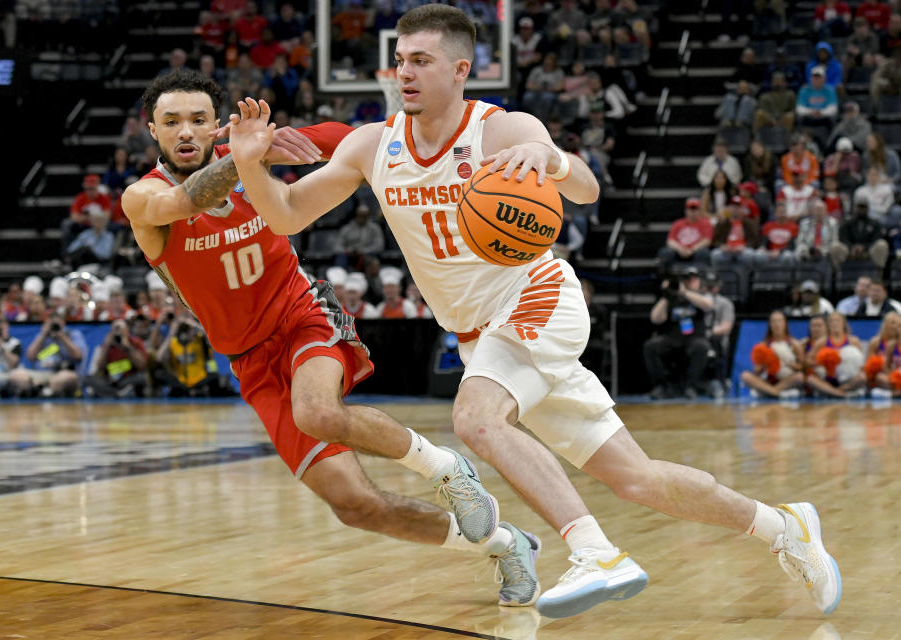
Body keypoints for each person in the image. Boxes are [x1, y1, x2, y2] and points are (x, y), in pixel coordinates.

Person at [216, 7, 843, 617]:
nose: (405, 73)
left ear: (460, 70)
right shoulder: (370, 146)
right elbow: (288, 213)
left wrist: (552, 160)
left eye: (421, 61)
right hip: (480, 334)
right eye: (400, 61)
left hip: (536, 295)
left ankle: (595, 552)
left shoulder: (502, 129)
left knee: (477, 420)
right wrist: (249, 161)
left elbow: (588, 189)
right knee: (635, 477)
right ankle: (781, 525)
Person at [118, 69, 537, 607]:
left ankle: (447, 469)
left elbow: (361, 139)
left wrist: (447, 148)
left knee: (316, 411)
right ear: (152, 131)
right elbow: (189, 201)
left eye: (198, 119)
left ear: (215, 125)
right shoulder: (143, 197)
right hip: (247, 359)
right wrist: (251, 156)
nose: (185, 131)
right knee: (356, 506)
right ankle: (506, 545)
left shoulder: (252, 153)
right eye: (171, 121)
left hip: (301, 312)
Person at [644, 268, 714, 399]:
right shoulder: (670, 298)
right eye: (686, 279)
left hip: (694, 338)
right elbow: (655, 318)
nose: (689, 282)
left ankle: (691, 386)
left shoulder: (702, 295)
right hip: (672, 338)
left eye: (693, 279)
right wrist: (667, 294)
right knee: (650, 346)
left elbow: (708, 305)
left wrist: (685, 292)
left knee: (701, 346)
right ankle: (661, 386)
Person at [8, 312, 87, 398]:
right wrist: (43, 334)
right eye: (50, 324)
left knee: (65, 378)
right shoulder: (42, 336)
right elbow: (30, 357)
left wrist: (62, 337)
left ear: (63, 324)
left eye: (56, 324)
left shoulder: (73, 334)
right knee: (15, 375)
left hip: (61, 372)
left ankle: (43, 390)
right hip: (40, 373)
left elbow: (77, 356)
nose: (53, 327)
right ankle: (39, 389)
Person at [741, 310, 805, 398]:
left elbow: (802, 368)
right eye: (773, 321)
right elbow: (756, 371)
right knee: (745, 376)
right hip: (769, 379)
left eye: (779, 321)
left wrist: (789, 364)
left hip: (786, 380)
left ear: (785, 323)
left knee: (800, 377)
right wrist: (762, 366)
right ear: (770, 324)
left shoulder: (794, 344)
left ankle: (767, 392)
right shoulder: (763, 345)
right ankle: (778, 393)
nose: (776, 324)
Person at [84, 319, 149, 398]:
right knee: (88, 379)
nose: (118, 332)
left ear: (127, 331)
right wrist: (107, 347)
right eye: (115, 329)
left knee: (141, 378)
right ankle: (116, 393)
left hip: (128, 379)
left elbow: (142, 365)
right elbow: (100, 368)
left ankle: (109, 394)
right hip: (111, 380)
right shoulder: (108, 344)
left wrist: (127, 347)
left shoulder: (135, 342)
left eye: (120, 329)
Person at [806, 312, 866, 397]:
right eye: (831, 321)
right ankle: (840, 393)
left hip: (847, 379)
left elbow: (861, 364)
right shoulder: (822, 342)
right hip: (827, 377)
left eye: (837, 321)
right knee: (810, 380)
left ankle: (835, 391)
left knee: (862, 378)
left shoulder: (853, 341)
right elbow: (808, 361)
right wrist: (821, 362)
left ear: (843, 323)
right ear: (828, 325)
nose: (834, 323)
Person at [657, 197, 714, 272]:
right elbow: (670, 241)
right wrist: (681, 249)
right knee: (665, 252)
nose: (693, 212)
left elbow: (707, 241)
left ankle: (699, 278)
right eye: (690, 209)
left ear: (699, 211)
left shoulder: (706, 223)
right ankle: (667, 279)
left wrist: (692, 250)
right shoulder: (678, 223)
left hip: (696, 252)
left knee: (704, 253)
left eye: (695, 209)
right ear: (686, 210)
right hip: (679, 252)